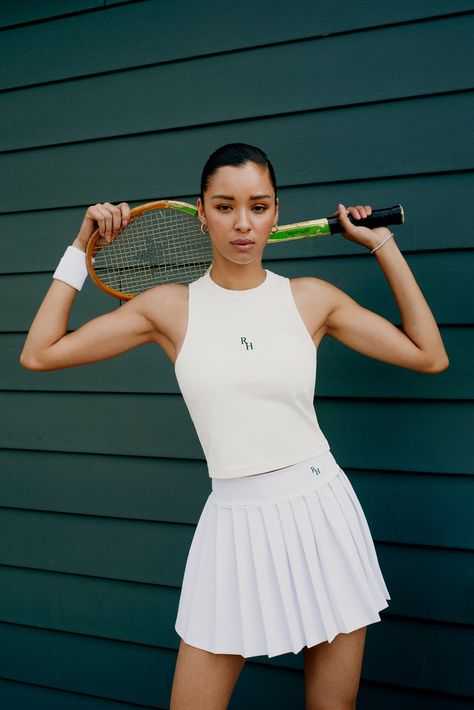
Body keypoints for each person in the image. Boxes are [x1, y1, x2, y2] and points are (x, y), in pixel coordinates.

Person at [20, 142, 449, 710]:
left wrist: (382, 244)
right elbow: (39, 353)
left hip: (320, 510)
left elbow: (429, 355)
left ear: (276, 211)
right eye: (225, 207)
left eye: (259, 206)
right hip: (234, 524)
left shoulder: (311, 299)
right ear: (201, 213)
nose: (243, 223)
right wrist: (81, 247)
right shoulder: (167, 307)